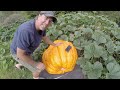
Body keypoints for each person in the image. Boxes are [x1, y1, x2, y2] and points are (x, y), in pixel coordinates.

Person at [10, 11, 62, 79]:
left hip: (27, 51)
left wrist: (54, 44)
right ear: (39, 15)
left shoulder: (42, 27)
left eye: (50, 21)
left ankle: (18, 65)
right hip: (17, 53)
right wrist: (36, 64)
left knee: (29, 60)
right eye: (46, 18)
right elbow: (20, 54)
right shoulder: (26, 31)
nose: (47, 23)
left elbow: (45, 38)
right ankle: (36, 77)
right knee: (37, 69)